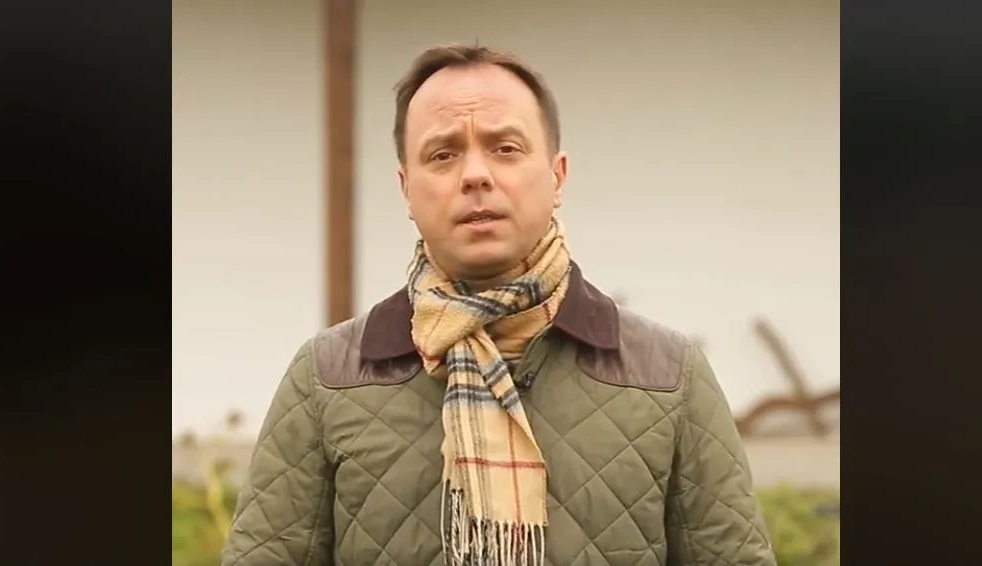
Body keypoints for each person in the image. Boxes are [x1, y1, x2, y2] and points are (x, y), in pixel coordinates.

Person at [220, 44, 776, 566]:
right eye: (443, 154)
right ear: (406, 188)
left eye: (506, 149)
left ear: (557, 176)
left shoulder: (667, 376)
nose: (475, 175)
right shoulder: (330, 378)